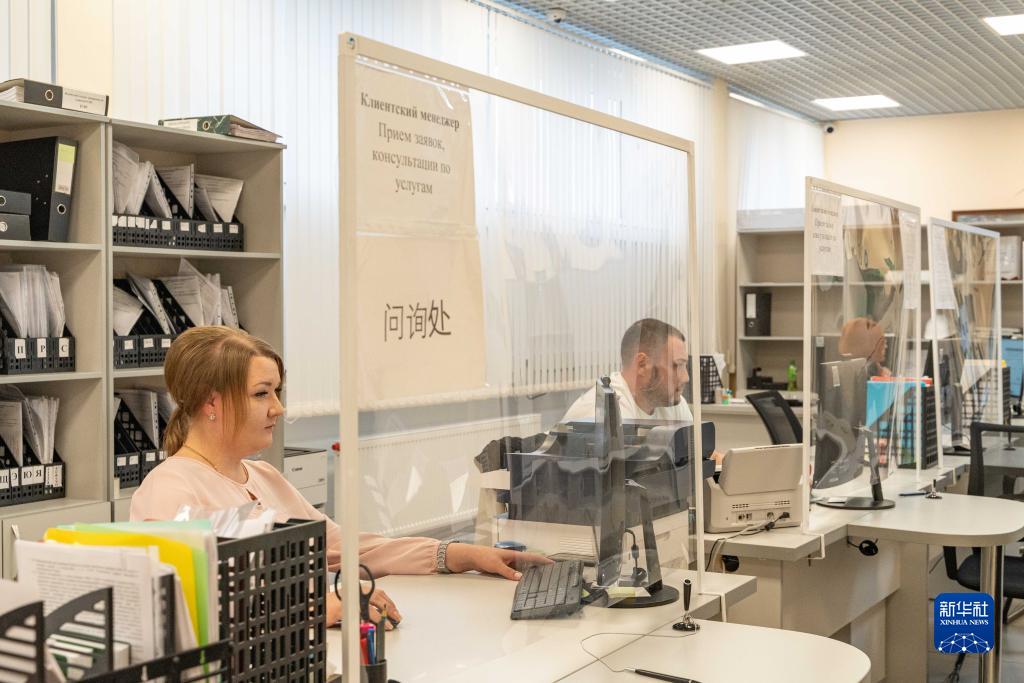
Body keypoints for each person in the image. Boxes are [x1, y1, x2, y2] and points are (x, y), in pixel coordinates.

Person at [131, 326, 549, 627]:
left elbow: (347, 550)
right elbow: (187, 613)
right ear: (212, 403)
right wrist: (313, 609)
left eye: (277, 392)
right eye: (261, 394)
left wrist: (456, 555)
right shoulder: (170, 489)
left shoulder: (262, 476)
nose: (278, 408)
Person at [562, 318, 693, 423]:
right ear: (642, 365)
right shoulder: (603, 413)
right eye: (678, 365)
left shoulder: (673, 404)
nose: (686, 378)